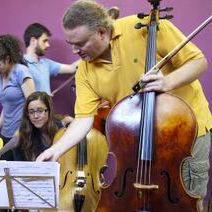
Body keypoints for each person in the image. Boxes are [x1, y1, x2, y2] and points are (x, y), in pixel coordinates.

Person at [36, 0, 211, 211]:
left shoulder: (147, 26)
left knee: (183, 201)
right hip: (140, 138)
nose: (74, 51)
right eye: (70, 43)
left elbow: (198, 61)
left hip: (184, 133)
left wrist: (167, 82)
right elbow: (83, 119)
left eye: (80, 44)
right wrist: (55, 151)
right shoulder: (85, 70)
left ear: (102, 32)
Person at [0, 34, 36, 161]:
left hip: (22, 137)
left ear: (7, 59)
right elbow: (6, 107)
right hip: (6, 135)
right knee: (5, 177)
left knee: (20, 177)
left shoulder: (21, 72)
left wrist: (21, 131)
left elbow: (32, 107)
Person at [0, 91, 73, 161]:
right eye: (31, 112)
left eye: (40, 110)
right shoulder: (25, 135)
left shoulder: (64, 125)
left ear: (49, 111)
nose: (35, 116)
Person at [23, 23, 77, 94]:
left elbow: (72, 68)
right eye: (44, 41)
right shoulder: (20, 64)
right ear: (33, 40)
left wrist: (90, 54)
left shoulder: (46, 64)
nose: (48, 45)